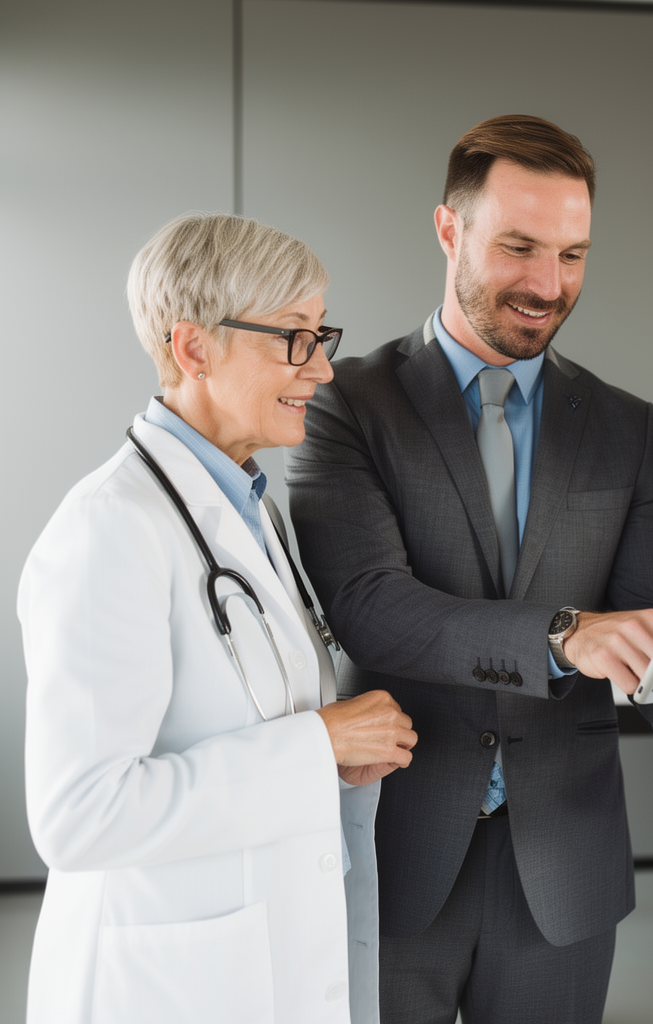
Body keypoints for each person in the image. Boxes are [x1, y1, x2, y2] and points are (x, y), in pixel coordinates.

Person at [286, 114, 653, 1024]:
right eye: (519, 248)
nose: (547, 284)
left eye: (572, 255)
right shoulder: (348, 403)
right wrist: (565, 637)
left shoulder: (622, 425)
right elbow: (371, 607)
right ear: (449, 231)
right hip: (398, 843)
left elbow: (650, 629)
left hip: (563, 870)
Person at [18, 212, 418, 1024]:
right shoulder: (111, 526)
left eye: (321, 334)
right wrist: (318, 745)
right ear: (195, 347)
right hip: (165, 981)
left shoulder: (245, 507)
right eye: (295, 338)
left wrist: (329, 762)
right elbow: (81, 816)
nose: (325, 369)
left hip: (254, 951)